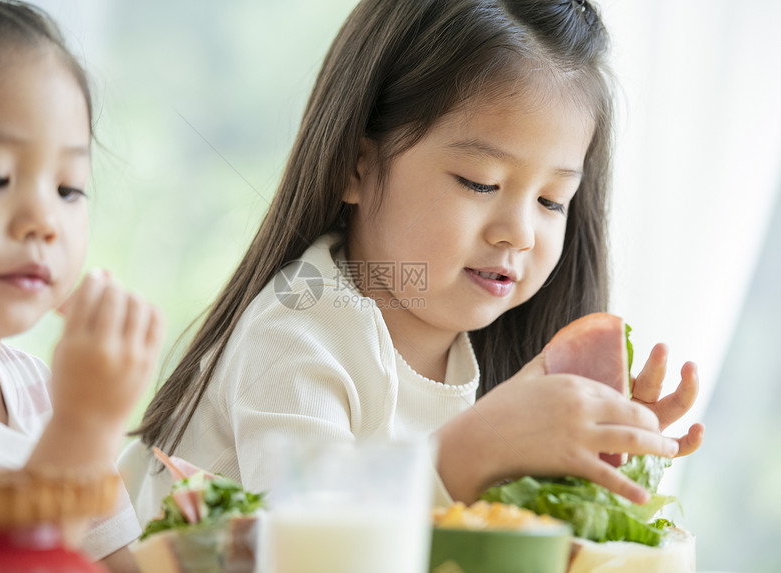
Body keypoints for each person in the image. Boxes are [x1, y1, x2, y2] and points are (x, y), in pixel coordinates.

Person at [121, 0, 704, 523]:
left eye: (552, 200)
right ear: (355, 164)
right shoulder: (297, 332)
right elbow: (309, 538)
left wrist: (593, 451)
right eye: (480, 183)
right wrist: (479, 446)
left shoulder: (481, 353)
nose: (520, 232)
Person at [0, 1, 164, 570]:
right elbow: (7, 562)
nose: (43, 220)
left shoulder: (40, 386)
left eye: (69, 188)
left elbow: (113, 558)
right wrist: (85, 425)